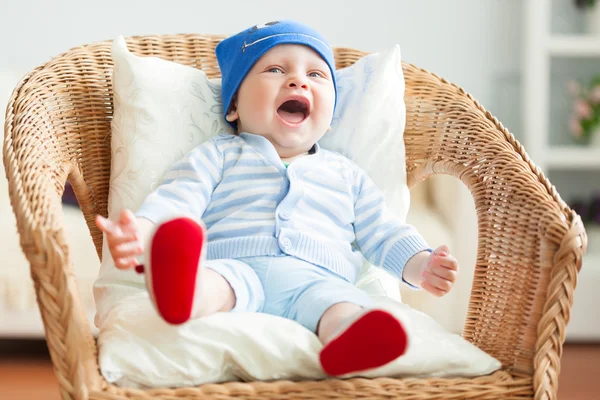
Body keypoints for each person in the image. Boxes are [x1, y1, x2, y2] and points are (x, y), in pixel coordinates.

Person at [95, 20, 459, 377]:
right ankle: (182, 294)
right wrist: (142, 230)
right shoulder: (218, 154)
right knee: (212, 285)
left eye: (317, 75)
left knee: (342, 308)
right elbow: (177, 200)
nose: (298, 79)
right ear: (234, 105)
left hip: (318, 278)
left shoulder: (346, 175)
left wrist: (421, 264)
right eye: (274, 69)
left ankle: (350, 343)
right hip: (234, 264)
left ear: (330, 117)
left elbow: (383, 231)